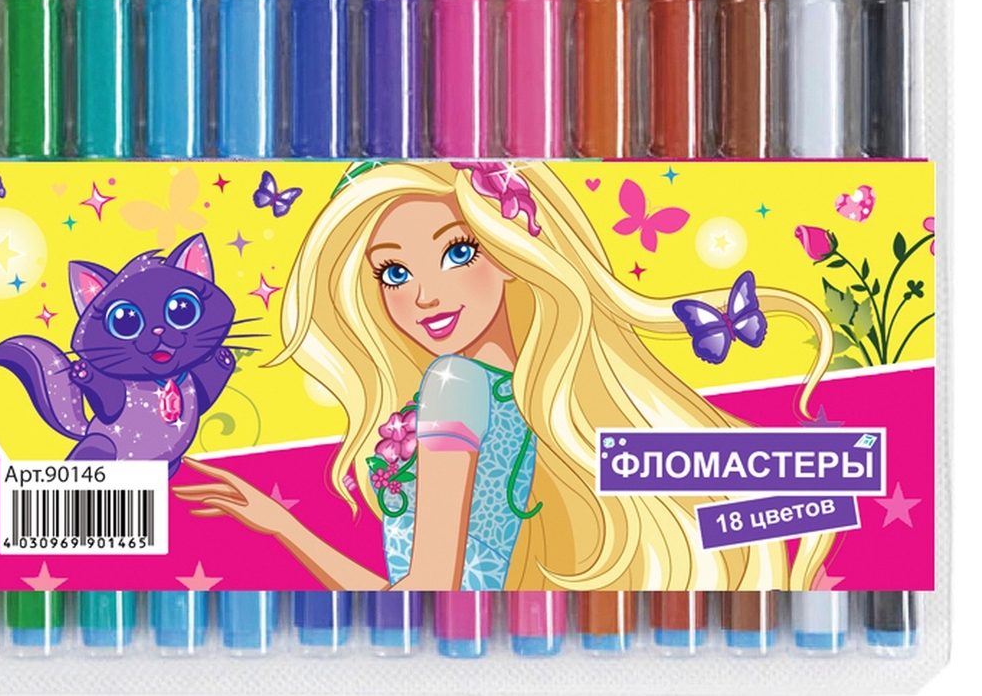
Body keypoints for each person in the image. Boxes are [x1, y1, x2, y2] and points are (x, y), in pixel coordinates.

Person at [175, 161, 834, 592]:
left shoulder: (454, 383)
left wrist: (283, 528)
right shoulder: (530, 390)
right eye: (394, 272)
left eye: (457, 251)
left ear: (510, 246)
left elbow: (424, 592)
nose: (424, 295)